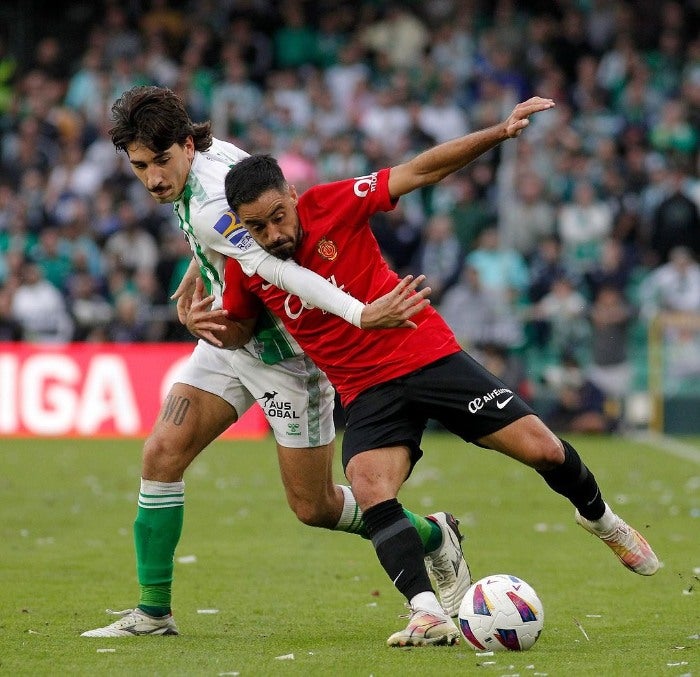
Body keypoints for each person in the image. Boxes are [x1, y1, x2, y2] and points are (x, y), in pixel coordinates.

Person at [216, 96, 659, 648]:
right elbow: (236, 329)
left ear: (292, 196)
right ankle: (425, 611)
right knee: (369, 487)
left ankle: (601, 520)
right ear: (240, 224)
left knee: (545, 450)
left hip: (426, 355)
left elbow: (420, 170)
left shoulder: (335, 202)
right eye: (257, 227)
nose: (274, 234)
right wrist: (202, 322)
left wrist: (498, 131)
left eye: (279, 217)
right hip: (365, 389)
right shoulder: (246, 264)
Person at [81, 86, 468, 638]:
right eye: (140, 166)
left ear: (187, 146)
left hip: (286, 358)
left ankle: (435, 537)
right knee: (162, 452)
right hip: (229, 340)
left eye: (161, 162)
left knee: (314, 505)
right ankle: (153, 611)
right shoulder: (218, 158)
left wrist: (359, 315)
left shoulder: (215, 202)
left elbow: (284, 271)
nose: (153, 179)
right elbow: (227, 244)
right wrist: (201, 271)